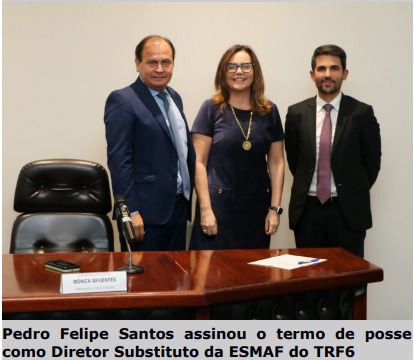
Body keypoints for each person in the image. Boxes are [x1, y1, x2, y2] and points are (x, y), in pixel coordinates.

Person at [284, 44, 381, 258]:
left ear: (344, 74)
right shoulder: (296, 113)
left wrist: (351, 190)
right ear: (312, 74)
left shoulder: (362, 113)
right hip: (307, 212)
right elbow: (295, 161)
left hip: (348, 212)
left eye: (334, 68)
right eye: (321, 69)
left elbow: (372, 163)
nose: (327, 74)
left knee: (348, 282)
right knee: (310, 281)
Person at [104, 35, 195, 251]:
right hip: (144, 216)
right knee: (145, 283)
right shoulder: (122, 100)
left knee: (176, 280)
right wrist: (131, 212)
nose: (160, 69)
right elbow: (119, 161)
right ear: (137, 64)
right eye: (152, 62)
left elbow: (178, 150)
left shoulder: (174, 97)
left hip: (178, 209)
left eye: (166, 62)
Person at [189, 44, 285, 250]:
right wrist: (205, 209)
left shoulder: (269, 111)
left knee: (255, 274)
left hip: (257, 210)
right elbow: (198, 162)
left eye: (245, 66)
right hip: (218, 208)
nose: (238, 72)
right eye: (231, 66)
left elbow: (277, 162)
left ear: (255, 71)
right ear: (223, 73)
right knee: (211, 276)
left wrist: (274, 209)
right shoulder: (211, 109)